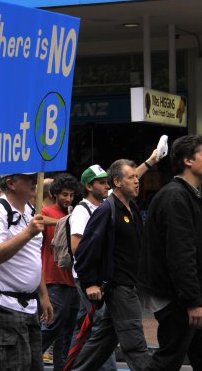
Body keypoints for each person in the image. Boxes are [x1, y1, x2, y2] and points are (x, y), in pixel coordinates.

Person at [138, 135, 202, 371]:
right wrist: (192, 301)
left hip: (191, 298)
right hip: (179, 300)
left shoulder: (189, 195)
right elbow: (180, 253)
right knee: (168, 360)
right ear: (188, 161)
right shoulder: (175, 197)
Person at [73, 159, 151, 371]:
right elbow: (83, 251)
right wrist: (90, 283)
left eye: (137, 177)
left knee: (103, 341)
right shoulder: (106, 210)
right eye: (131, 177)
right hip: (119, 288)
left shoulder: (131, 209)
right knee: (135, 344)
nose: (137, 181)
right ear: (116, 182)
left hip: (130, 285)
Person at [0, 172, 53, 371]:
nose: (35, 182)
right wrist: (27, 232)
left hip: (29, 306)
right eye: (28, 178)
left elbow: (32, 258)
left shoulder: (31, 210)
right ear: (11, 183)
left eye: (35, 178)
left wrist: (44, 295)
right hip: (4, 306)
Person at [69, 165, 117, 371]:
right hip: (89, 280)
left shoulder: (104, 205)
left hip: (97, 278)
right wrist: (91, 281)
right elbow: (77, 249)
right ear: (89, 186)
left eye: (108, 182)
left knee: (84, 327)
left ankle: (70, 365)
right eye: (102, 182)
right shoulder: (82, 211)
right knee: (101, 327)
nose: (107, 186)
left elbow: (125, 180)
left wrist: (150, 161)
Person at [41, 173, 80, 371]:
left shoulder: (74, 213)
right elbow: (37, 219)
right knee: (51, 327)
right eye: (64, 194)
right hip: (53, 279)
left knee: (66, 333)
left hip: (72, 280)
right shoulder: (46, 210)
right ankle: (28, 358)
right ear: (54, 194)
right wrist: (64, 222)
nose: (68, 199)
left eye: (72, 195)